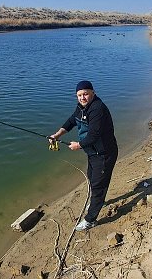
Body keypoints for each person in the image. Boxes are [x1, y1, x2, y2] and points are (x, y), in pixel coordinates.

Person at [50, 80, 118, 231]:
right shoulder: (81, 107)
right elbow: (71, 121)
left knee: (98, 184)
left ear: (93, 93)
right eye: (79, 95)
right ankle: (98, 201)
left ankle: (90, 219)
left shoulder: (97, 109)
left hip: (104, 153)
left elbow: (94, 135)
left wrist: (78, 145)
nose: (82, 98)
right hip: (93, 152)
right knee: (92, 177)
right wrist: (57, 134)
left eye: (85, 94)